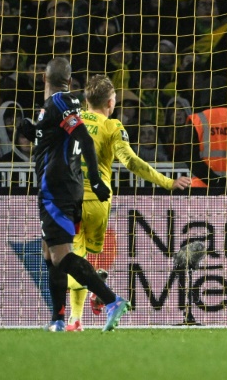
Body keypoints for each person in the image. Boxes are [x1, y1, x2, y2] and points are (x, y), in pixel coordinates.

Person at [65, 75, 192, 331]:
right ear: (111, 103)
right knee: (83, 258)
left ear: (86, 100)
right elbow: (132, 162)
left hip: (70, 196)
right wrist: (168, 182)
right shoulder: (112, 126)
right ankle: (89, 297)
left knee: (71, 258)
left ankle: (77, 316)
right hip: (99, 202)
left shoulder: (70, 121)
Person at [16, 57, 131, 332]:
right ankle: (57, 319)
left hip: (57, 189)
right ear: (69, 80)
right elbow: (58, 140)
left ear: (44, 79)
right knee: (49, 251)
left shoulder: (57, 102)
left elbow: (84, 138)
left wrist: (95, 177)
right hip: (63, 186)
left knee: (60, 255)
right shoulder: (59, 106)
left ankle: (111, 300)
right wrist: (33, 132)